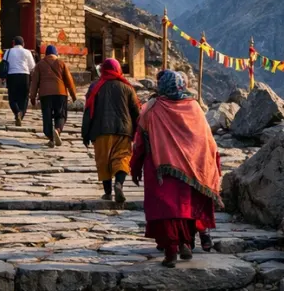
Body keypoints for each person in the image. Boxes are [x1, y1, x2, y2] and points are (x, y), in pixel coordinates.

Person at [131, 70, 222, 268]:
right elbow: (207, 141)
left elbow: (139, 142)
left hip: (160, 170)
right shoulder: (194, 107)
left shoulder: (151, 109)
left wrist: (135, 166)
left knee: (167, 211)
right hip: (191, 171)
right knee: (186, 208)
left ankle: (171, 250)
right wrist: (209, 163)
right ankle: (186, 244)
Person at [81, 58, 140, 202]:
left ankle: (107, 193)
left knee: (103, 161)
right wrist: (138, 130)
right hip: (123, 131)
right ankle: (119, 184)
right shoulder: (127, 87)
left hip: (100, 130)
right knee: (122, 158)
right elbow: (136, 112)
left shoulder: (95, 87)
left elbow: (88, 111)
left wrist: (85, 133)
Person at [29, 45, 77, 147]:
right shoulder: (61, 63)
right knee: (61, 114)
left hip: (45, 94)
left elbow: (35, 82)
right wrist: (73, 96)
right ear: (56, 54)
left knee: (47, 116)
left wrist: (32, 97)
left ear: (46, 54)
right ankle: (58, 129)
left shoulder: (40, 64)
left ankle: (50, 138)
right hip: (60, 93)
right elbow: (69, 81)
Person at [1, 36, 37, 125]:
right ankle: (21, 113)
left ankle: (17, 112)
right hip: (24, 76)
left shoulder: (8, 52)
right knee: (24, 97)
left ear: (13, 43)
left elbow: (4, 64)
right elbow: (32, 66)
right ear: (23, 43)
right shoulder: (27, 52)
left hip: (11, 76)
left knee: (12, 97)